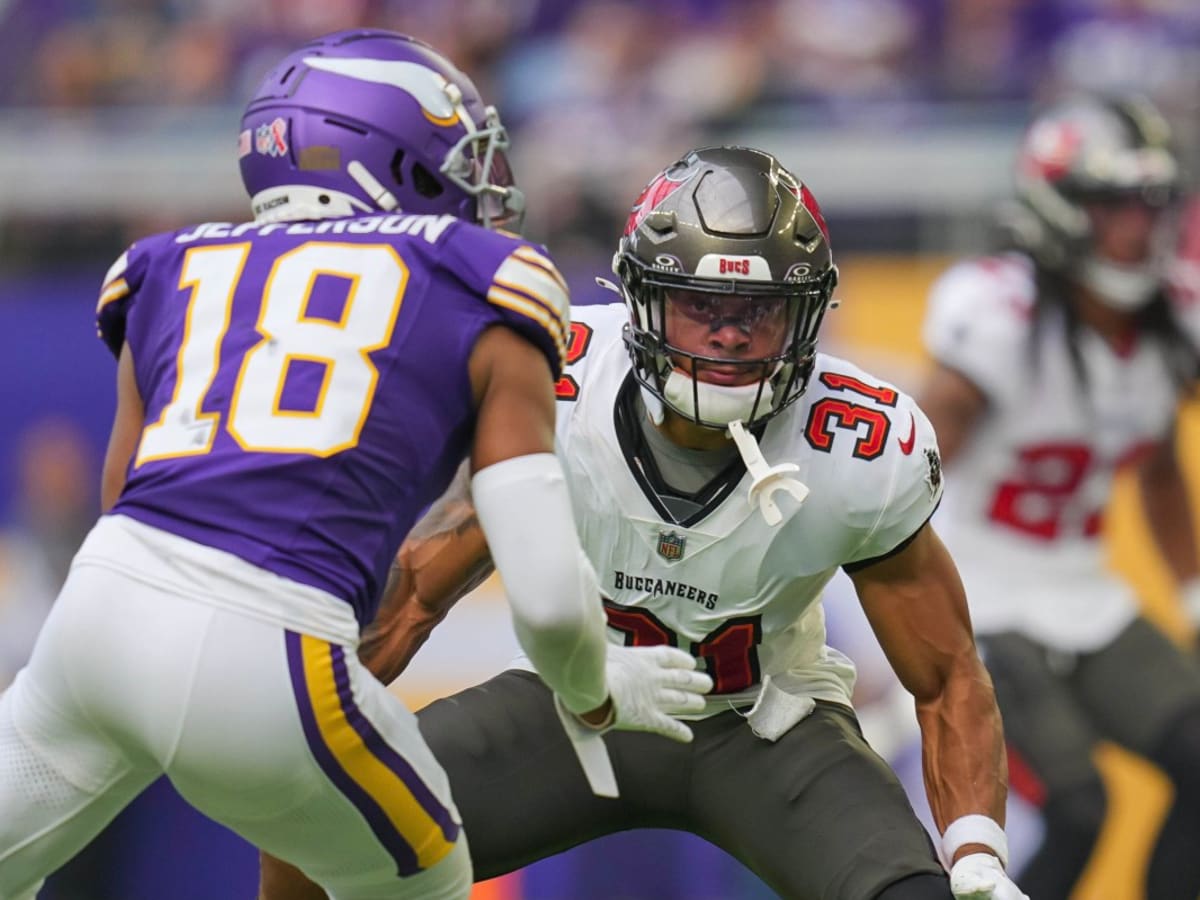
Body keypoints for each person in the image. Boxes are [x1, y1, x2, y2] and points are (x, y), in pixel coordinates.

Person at [0, 29, 712, 900]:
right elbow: (550, 599)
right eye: (464, 157)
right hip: (266, 652)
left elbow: (125, 501)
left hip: (96, 623)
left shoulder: (169, 264)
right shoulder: (482, 275)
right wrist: (598, 688)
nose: (485, 184)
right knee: (428, 877)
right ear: (394, 161)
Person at [262, 146, 1028, 900]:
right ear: (644, 298)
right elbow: (416, 597)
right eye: (703, 307)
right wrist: (290, 723)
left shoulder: (858, 442)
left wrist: (978, 854)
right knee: (316, 822)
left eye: (758, 312)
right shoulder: (556, 384)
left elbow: (948, 674)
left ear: (804, 315)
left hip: (765, 723)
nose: (730, 336)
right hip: (573, 706)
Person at [917, 93, 1200, 900]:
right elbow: (909, 467)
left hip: (1083, 589)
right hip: (980, 591)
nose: (1138, 228)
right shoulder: (997, 315)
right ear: (1060, 209)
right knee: (1080, 808)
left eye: (1149, 204)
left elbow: (1158, 470)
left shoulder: (1165, 320)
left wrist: (1193, 595)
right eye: (1114, 204)